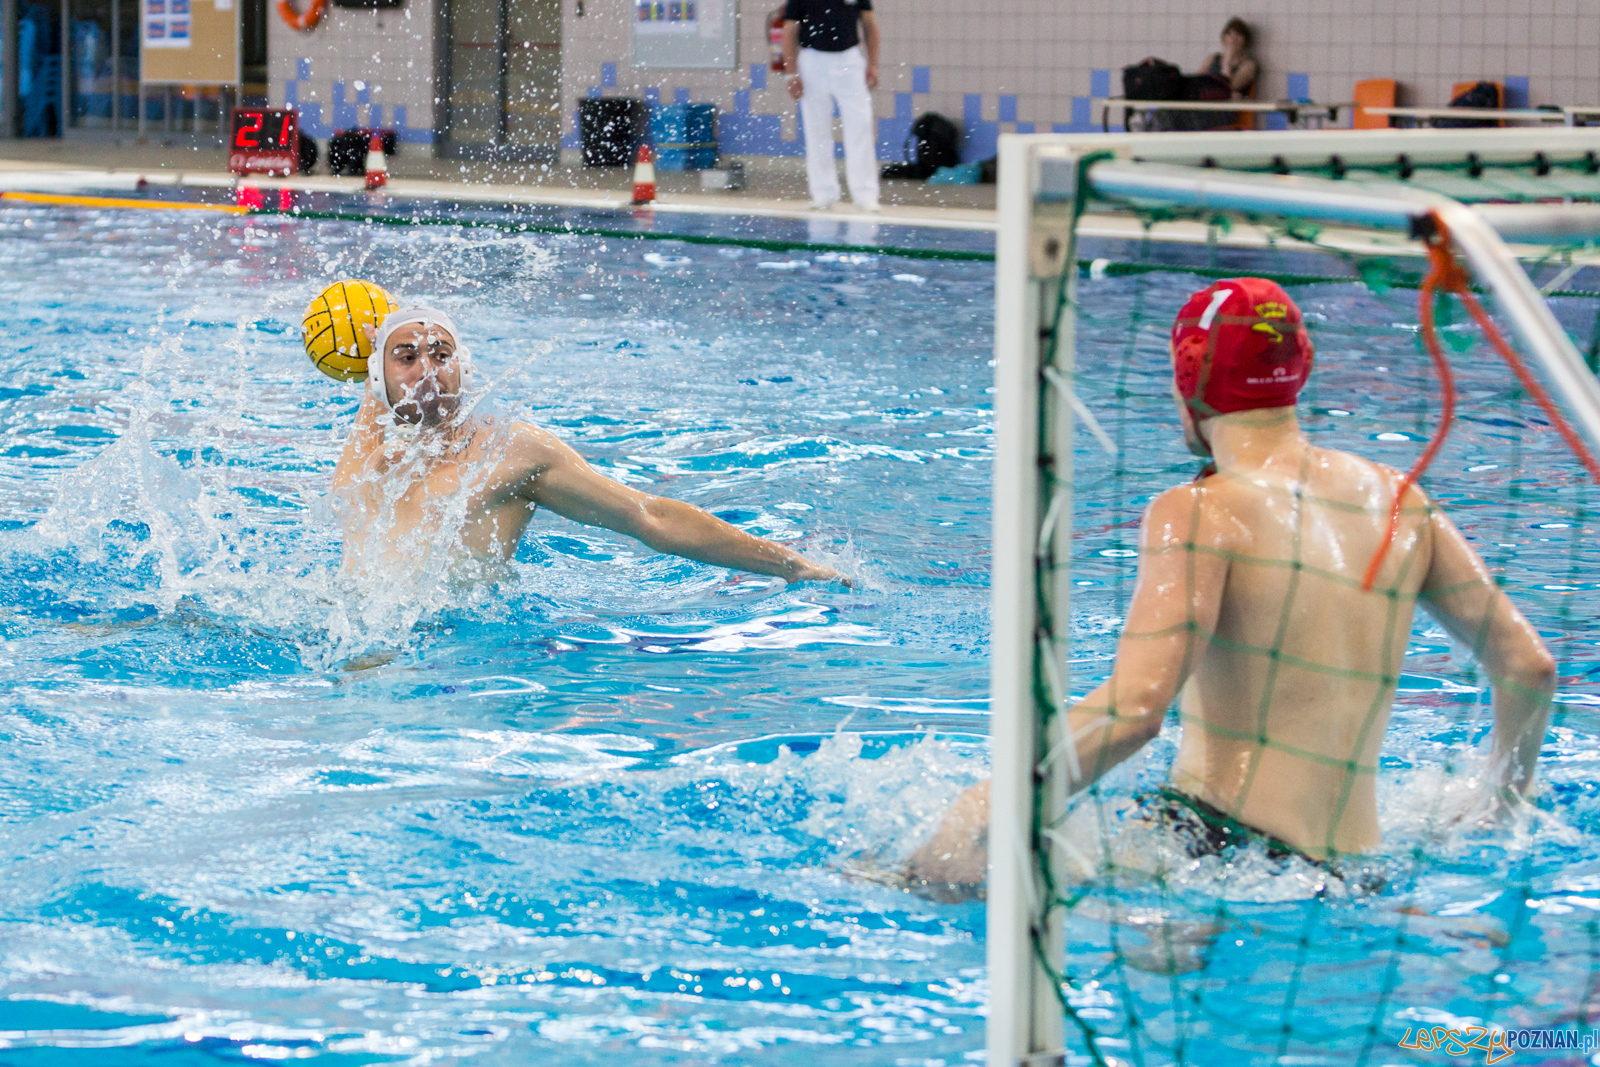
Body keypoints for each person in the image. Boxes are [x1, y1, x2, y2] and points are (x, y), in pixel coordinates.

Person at [905, 278, 1556, 896]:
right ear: (1300, 365)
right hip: (1357, 876)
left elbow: (1134, 711)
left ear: (1188, 376)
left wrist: (984, 805)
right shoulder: (1399, 500)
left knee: (927, 879)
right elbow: (1529, 665)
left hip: (1219, 852)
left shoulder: (1199, 511)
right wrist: (1502, 801)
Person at [329, 308, 849, 586]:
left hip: (448, 654)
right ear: (379, 377)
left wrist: (794, 566)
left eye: (442, 354)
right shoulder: (373, 464)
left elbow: (650, 517)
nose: (427, 368)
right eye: (407, 356)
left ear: (464, 366)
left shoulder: (510, 452)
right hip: (356, 630)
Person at [782, 0, 881, 213]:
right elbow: (790, 29)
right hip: (812, 60)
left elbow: (869, 24)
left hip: (849, 59)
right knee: (816, 129)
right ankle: (823, 193)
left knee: (861, 126)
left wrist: (872, 64)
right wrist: (791, 73)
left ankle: (865, 194)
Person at [1205, 17, 1258, 101]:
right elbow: (1197, 83)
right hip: (1207, 101)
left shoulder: (1248, 65)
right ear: (1223, 38)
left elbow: (1226, 88)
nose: (1233, 39)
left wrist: (1227, 61)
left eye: (1238, 34)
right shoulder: (1212, 58)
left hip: (1228, 108)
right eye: (1229, 33)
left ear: (1245, 40)